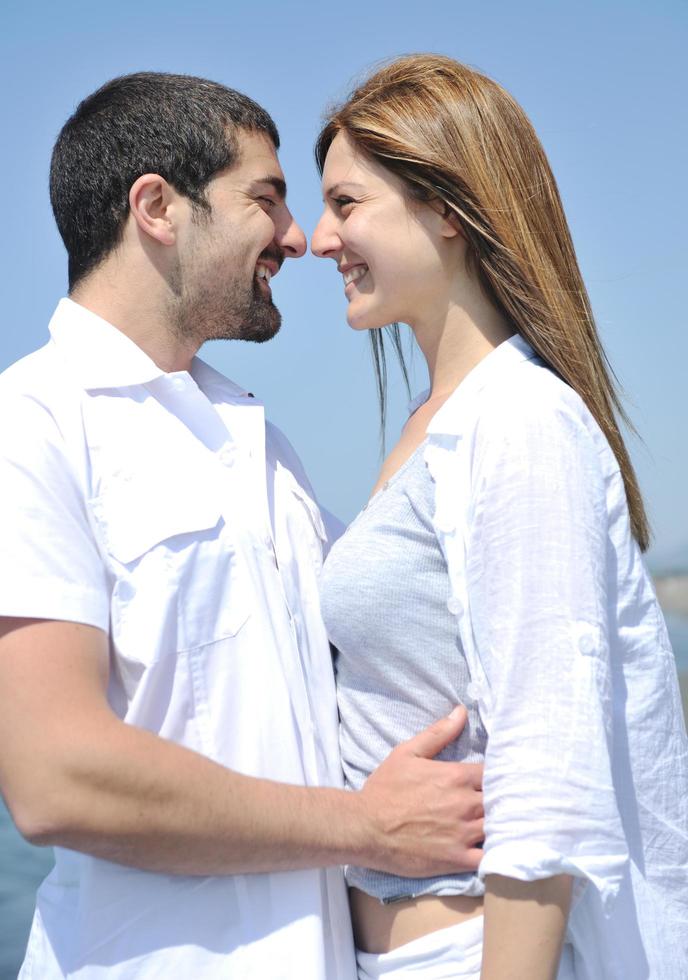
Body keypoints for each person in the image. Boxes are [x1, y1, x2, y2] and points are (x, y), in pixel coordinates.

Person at [0, 72, 486, 980]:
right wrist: (371, 827)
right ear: (157, 206)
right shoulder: (30, 425)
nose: (299, 239)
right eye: (266, 199)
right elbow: (53, 775)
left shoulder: (263, 448)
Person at [312, 54, 688, 979]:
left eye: (347, 203)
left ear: (446, 209)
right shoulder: (436, 428)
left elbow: (548, 764)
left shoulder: (520, 421)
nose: (320, 239)